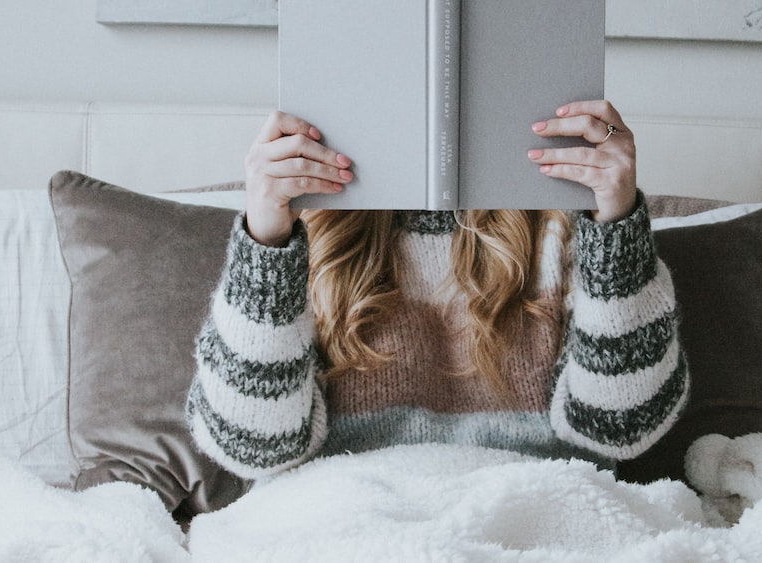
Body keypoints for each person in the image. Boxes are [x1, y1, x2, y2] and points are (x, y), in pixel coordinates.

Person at [185, 99, 689, 480]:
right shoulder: (308, 233)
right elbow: (249, 444)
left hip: (532, 512)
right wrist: (266, 242)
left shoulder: (568, 227)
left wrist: (617, 227)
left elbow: (624, 426)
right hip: (347, 517)